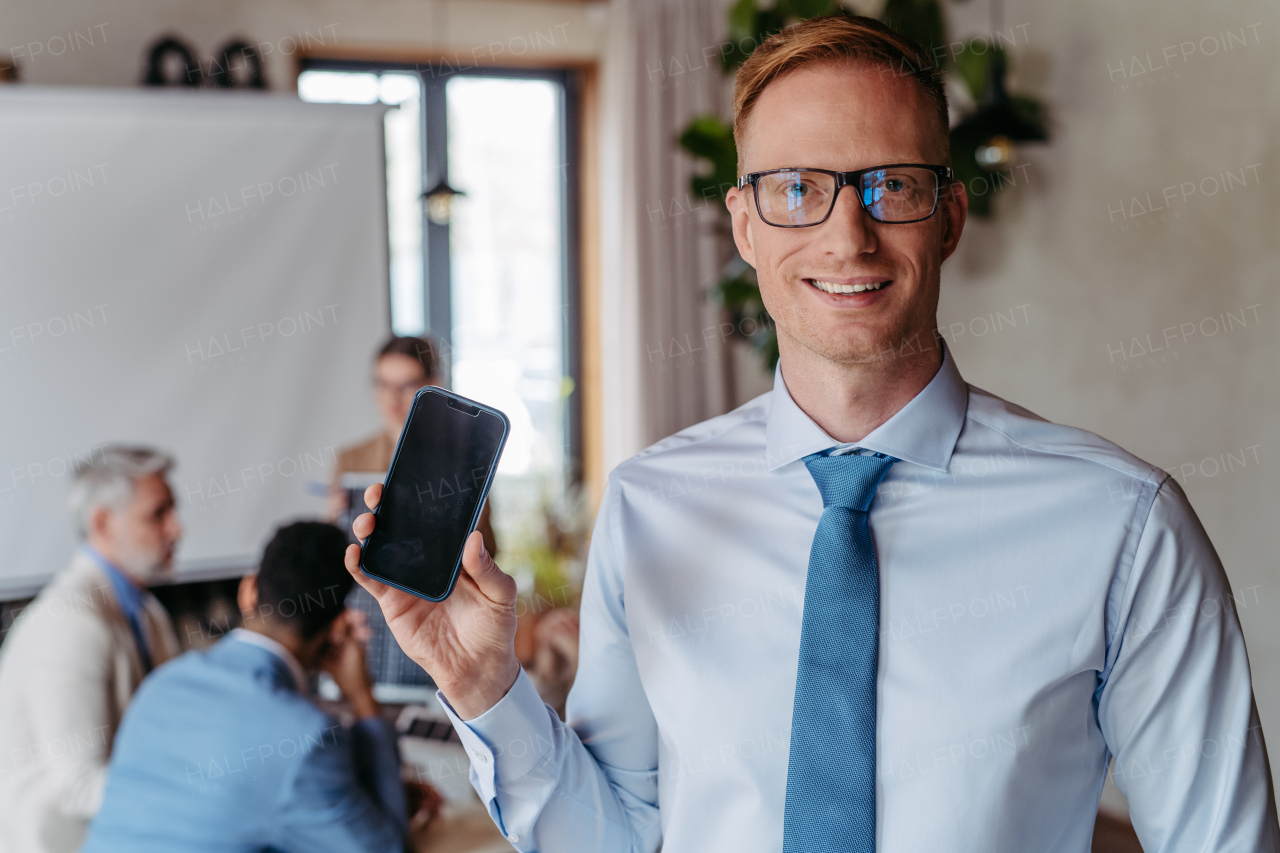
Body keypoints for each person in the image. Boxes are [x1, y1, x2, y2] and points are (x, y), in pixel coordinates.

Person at [343, 15, 1278, 853]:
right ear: (743, 224)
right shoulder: (650, 505)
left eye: (893, 186)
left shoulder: (1124, 525)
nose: (847, 237)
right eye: (797, 189)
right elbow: (616, 839)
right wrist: (483, 689)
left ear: (950, 218)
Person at [82, 521, 439, 852]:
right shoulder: (306, 739)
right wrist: (363, 700)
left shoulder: (161, 685)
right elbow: (387, 848)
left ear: (249, 589)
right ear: (337, 627)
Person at [0, 446, 183, 853]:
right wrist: (197, 797)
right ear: (102, 522)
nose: (176, 529)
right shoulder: (70, 621)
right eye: (158, 513)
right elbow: (80, 787)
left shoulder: (149, 612)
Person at [330, 334, 496, 556]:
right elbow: (332, 552)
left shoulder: (464, 459)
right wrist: (332, 518)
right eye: (382, 384)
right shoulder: (351, 459)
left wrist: (467, 512)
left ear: (434, 385)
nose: (392, 397)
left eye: (407, 385)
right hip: (363, 583)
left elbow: (490, 550)